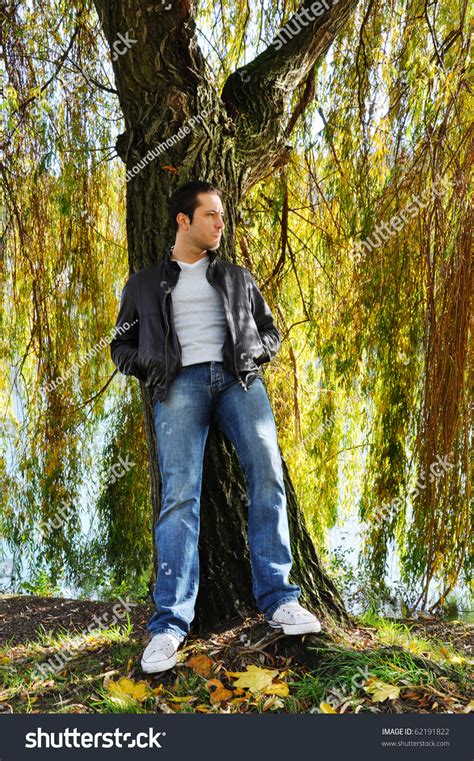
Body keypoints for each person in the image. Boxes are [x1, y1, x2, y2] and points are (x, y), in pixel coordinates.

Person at [110, 180, 321, 674]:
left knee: (268, 475)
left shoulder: (238, 278)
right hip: (178, 386)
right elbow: (119, 346)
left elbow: (270, 330)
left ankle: (279, 598)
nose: (220, 224)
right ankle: (169, 625)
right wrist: (150, 367)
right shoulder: (143, 284)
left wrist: (255, 354)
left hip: (238, 382)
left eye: (222, 216)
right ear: (184, 220)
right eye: (211, 216)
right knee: (180, 496)